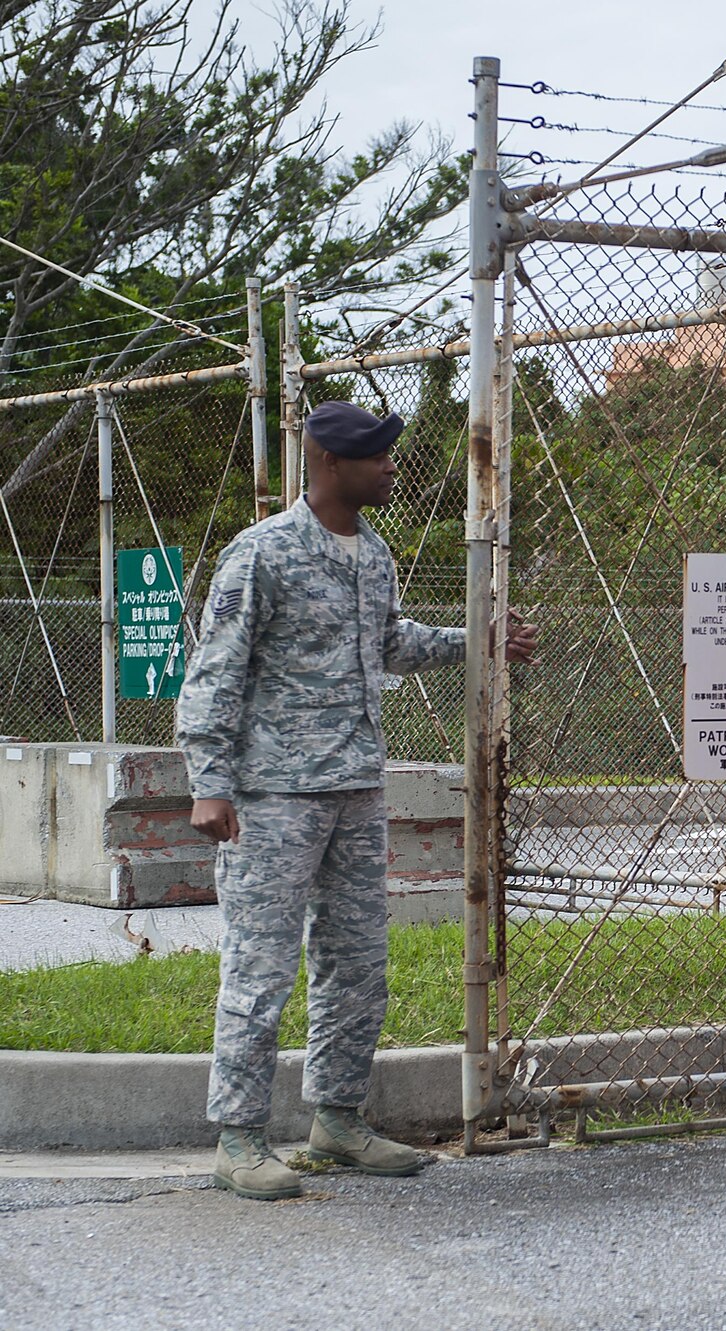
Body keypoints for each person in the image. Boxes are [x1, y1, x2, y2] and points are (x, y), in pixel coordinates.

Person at [177, 401, 538, 1201]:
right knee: (260, 965)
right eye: (378, 458)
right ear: (331, 464)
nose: (391, 468)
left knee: (357, 965)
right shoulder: (261, 553)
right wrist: (209, 781)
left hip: (354, 790)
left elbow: (388, 643)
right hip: (274, 795)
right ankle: (238, 1138)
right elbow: (213, 673)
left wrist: (476, 636)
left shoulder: (372, 553)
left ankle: (336, 1119)